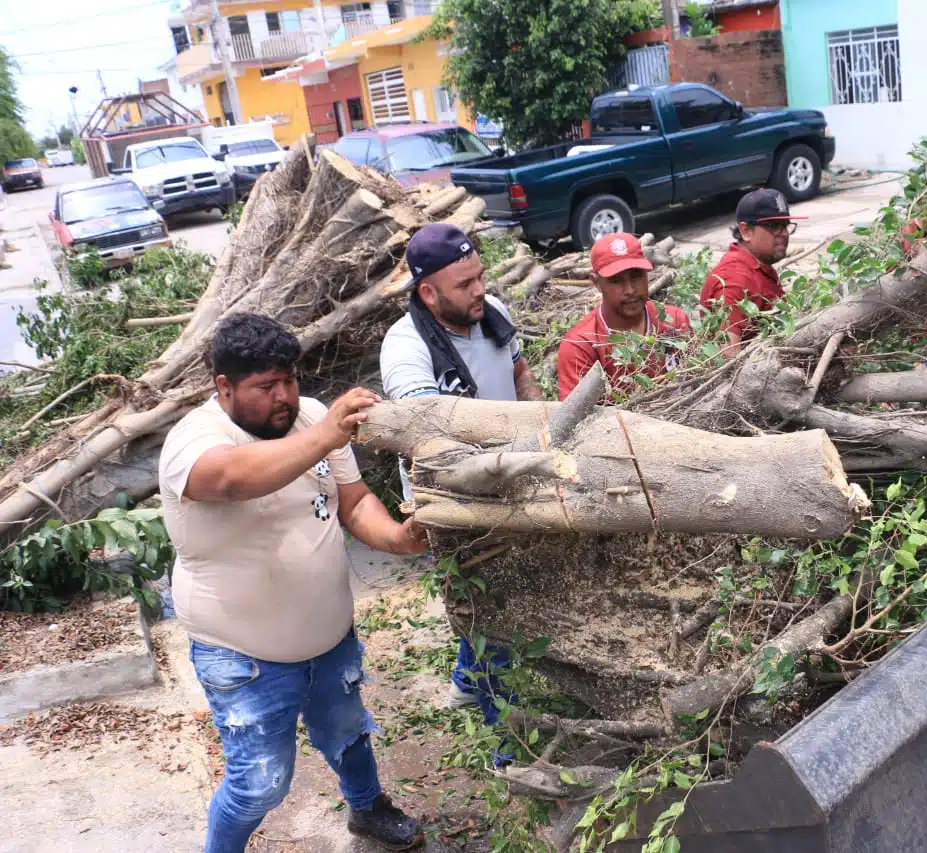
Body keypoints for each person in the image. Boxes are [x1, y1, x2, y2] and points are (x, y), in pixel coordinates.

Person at [159, 313, 428, 853]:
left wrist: (398, 538)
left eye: (290, 380)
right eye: (265, 387)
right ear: (224, 388)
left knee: (348, 731)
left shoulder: (308, 418)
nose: (283, 397)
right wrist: (327, 430)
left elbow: (352, 501)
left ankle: (367, 808)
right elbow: (234, 478)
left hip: (328, 634)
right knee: (259, 784)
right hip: (243, 653)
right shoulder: (192, 441)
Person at [379, 223, 542, 729]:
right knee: (491, 610)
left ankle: (467, 681)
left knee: (498, 599)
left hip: (512, 479)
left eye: (480, 278)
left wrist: (540, 428)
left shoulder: (493, 315)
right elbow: (424, 430)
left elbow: (520, 375)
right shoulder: (406, 348)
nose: (479, 292)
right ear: (427, 293)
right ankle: (507, 743)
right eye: (464, 285)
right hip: (454, 503)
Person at [557, 233, 691, 400]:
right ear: (596, 282)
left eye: (636, 276)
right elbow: (577, 418)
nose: (630, 290)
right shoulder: (581, 346)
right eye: (616, 281)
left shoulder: (674, 320)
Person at [700, 188, 805, 355]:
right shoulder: (735, 279)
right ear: (746, 231)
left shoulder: (759, 266)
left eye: (785, 225)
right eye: (774, 226)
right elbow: (727, 355)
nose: (784, 234)